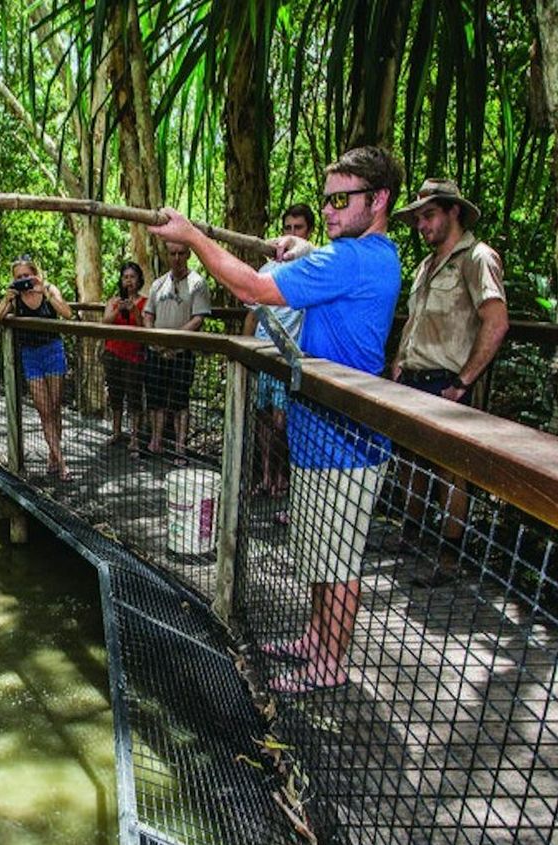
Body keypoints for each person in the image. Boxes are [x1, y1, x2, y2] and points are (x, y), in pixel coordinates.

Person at [149, 146, 403, 693]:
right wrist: (307, 247)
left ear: (378, 200)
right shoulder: (364, 255)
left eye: (343, 200)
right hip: (317, 430)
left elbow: (252, 289)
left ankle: (330, 662)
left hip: (346, 440)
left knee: (338, 559)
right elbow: (332, 267)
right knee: (319, 548)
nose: (331, 209)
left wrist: (193, 237)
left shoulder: (353, 259)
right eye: (327, 199)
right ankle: (317, 638)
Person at [386, 178, 509, 585]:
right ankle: (410, 536)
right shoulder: (425, 266)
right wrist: (400, 363)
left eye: (429, 216)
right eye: (418, 218)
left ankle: (449, 556)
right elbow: (416, 322)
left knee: (449, 470)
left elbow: (495, 320)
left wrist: (463, 380)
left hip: (448, 380)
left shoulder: (477, 257)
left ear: (453, 211)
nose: (422, 225)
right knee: (409, 460)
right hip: (414, 377)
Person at [242, 204, 314, 501]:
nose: (291, 234)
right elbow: (252, 314)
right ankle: (267, 475)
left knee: (282, 422)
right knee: (261, 419)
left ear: (308, 232)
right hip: (262, 355)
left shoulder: (311, 268)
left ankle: (283, 477)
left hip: (288, 358)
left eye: (298, 228)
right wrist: (244, 352)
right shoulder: (267, 270)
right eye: (287, 228)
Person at [0, 255, 76, 480]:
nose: (24, 280)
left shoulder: (48, 289)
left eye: (27, 275)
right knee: (44, 410)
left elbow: (67, 313)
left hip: (53, 351)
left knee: (55, 408)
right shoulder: (14, 299)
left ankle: (53, 456)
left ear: (35, 273)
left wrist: (44, 291)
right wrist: (6, 301)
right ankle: (62, 463)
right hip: (31, 356)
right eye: (19, 277)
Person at [142, 240, 212, 460]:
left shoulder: (197, 283)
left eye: (181, 253)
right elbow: (147, 314)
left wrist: (173, 341)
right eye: (172, 253)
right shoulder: (158, 284)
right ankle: (156, 442)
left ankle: (180, 447)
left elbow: (198, 318)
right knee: (156, 397)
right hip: (157, 351)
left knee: (181, 399)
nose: (176, 258)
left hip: (182, 352)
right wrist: (154, 337)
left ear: (188, 254)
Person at [102, 261, 148, 456]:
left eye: (132, 277)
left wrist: (134, 310)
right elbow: (105, 323)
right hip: (113, 353)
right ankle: (116, 431)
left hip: (134, 356)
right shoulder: (113, 301)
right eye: (125, 277)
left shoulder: (145, 302)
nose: (129, 281)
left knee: (134, 395)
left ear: (139, 280)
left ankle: (135, 437)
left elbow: (144, 327)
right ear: (121, 280)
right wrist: (117, 309)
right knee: (115, 393)